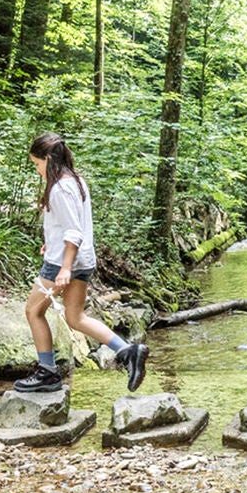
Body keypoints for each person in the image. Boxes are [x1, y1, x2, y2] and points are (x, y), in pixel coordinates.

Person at [19, 132, 149, 394]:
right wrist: (52, 242)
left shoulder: (59, 188)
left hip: (63, 263)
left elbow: (73, 232)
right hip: (82, 259)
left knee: (33, 311)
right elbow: (71, 225)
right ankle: (127, 351)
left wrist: (65, 266)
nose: (37, 170)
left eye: (37, 164)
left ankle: (47, 372)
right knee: (75, 316)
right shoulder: (76, 181)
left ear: (47, 159)